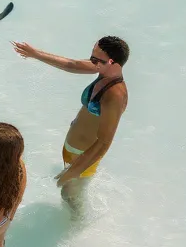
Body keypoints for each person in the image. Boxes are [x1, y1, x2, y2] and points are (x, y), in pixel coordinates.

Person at [11, 36, 129, 206]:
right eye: (91, 57)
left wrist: (74, 171)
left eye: (96, 59)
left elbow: (104, 142)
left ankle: (78, 227)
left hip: (83, 157)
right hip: (74, 151)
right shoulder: (102, 70)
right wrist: (35, 54)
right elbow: (71, 65)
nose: (92, 62)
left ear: (112, 62)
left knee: (70, 198)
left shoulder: (115, 95)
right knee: (69, 195)